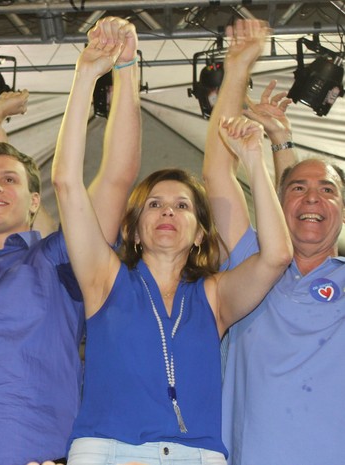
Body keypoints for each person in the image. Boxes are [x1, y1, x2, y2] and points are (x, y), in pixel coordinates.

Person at [51, 18, 292, 465]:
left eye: (182, 206)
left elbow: (277, 256)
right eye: (154, 205)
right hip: (108, 450)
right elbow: (66, 183)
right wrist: (87, 75)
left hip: (196, 455)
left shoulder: (214, 296)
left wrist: (256, 162)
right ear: (133, 229)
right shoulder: (103, 279)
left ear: (201, 232)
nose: (167, 212)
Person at [0, 16, 142, 465]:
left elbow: (116, 180)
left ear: (35, 200)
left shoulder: (59, 259)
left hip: (29, 455)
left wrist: (123, 69)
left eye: (8, 180)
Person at [203, 19, 345, 465]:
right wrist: (238, 67)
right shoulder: (251, 264)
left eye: (329, 191)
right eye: (298, 190)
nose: (313, 199)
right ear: (276, 205)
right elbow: (216, 174)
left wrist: (284, 141)